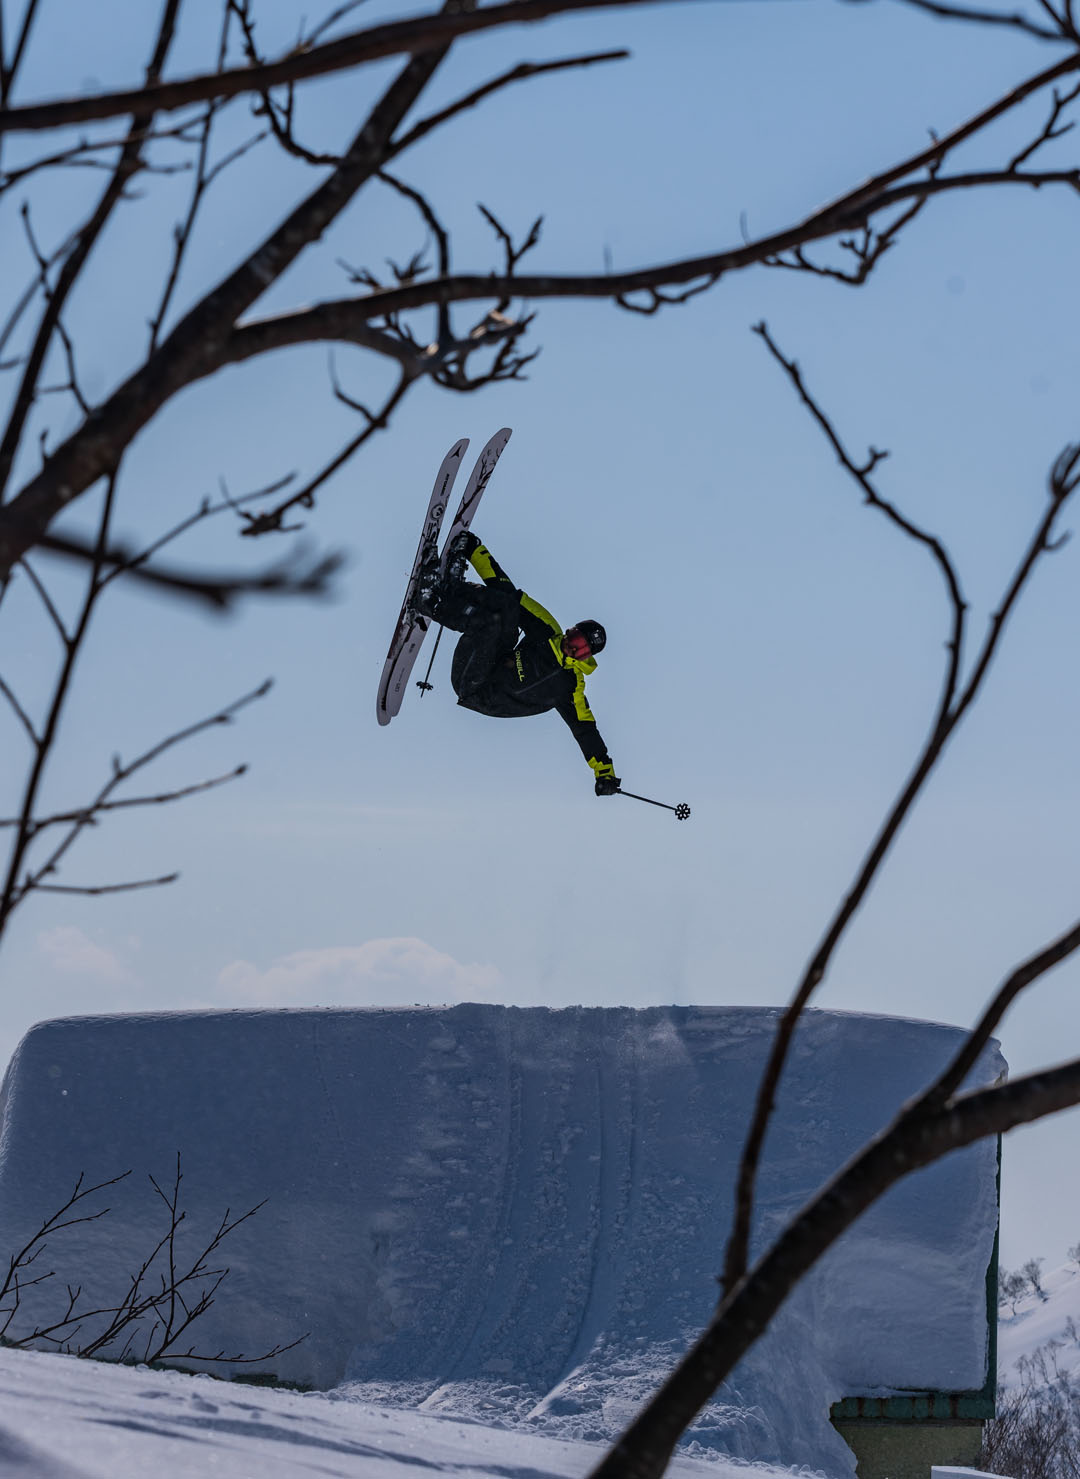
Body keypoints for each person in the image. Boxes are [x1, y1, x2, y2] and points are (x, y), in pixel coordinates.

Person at [415, 532, 621, 796]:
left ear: (585, 658)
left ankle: (430, 603)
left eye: (580, 650)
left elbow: (585, 730)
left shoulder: (570, 687)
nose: (572, 648)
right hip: (487, 662)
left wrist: (605, 772)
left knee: (491, 625)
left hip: (476, 689)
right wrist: (475, 551)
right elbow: (508, 593)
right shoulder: (548, 630)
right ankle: (450, 587)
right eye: (575, 639)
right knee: (506, 609)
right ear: (570, 631)